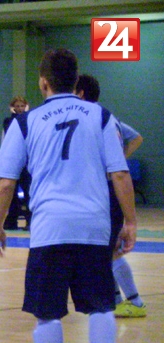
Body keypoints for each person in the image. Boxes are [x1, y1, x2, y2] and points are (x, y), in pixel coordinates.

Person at [0, 48, 136, 343]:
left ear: (43, 83)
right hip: (93, 227)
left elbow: (6, 183)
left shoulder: (25, 122)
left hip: (49, 228)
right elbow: (120, 174)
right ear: (75, 81)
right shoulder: (101, 116)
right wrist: (131, 222)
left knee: (48, 314)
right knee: (101, 306)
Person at [76, 73, 147, 319]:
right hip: (105, 191)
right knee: (105, 251)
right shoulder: (108, 116)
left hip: (106, 191)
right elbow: (136, 137)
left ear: (81, 94)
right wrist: (119, 157)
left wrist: (116, 162)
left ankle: (135, 302)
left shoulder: (92, 118)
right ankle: (116, 300)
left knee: (111, 251)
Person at [2, 96, 32, 230]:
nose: (20, 109)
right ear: (13, 108)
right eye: (17, 106)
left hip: (26, 163)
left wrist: (26, 113)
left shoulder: (30, 120)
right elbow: (9, 133)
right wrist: (14, 115)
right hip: (13, 162)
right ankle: (12, 220)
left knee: (28, 193)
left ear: (26, 107)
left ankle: (30, 221)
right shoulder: (8, 121)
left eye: (22, 106)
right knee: (12, 193)